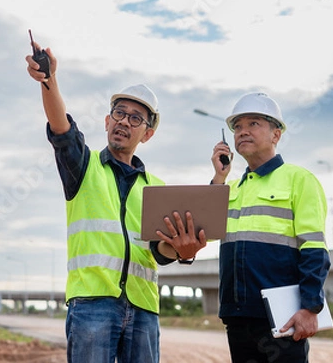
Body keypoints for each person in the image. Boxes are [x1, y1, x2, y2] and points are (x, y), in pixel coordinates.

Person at [26, 43, 207, 363]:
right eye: (119, 114)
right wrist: (49, 80)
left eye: (135, 118)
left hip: (143, 309)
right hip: (92, 305)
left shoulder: (157, 189)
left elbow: (158, 253)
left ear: (147, 134)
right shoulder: (84, 167)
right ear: (107, 122)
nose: (124, 121)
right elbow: (62, 131)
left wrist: (183, 251)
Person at [211, 92, 331, 363]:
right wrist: (219, 177)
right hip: (238, 315)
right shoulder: (229, 188)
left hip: (282, 317)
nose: (242, 132)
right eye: (237, 127)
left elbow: (313, 248)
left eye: (253, 124)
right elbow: (203, 230)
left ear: (276, 135)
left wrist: (310, 307)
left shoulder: (298, 179)